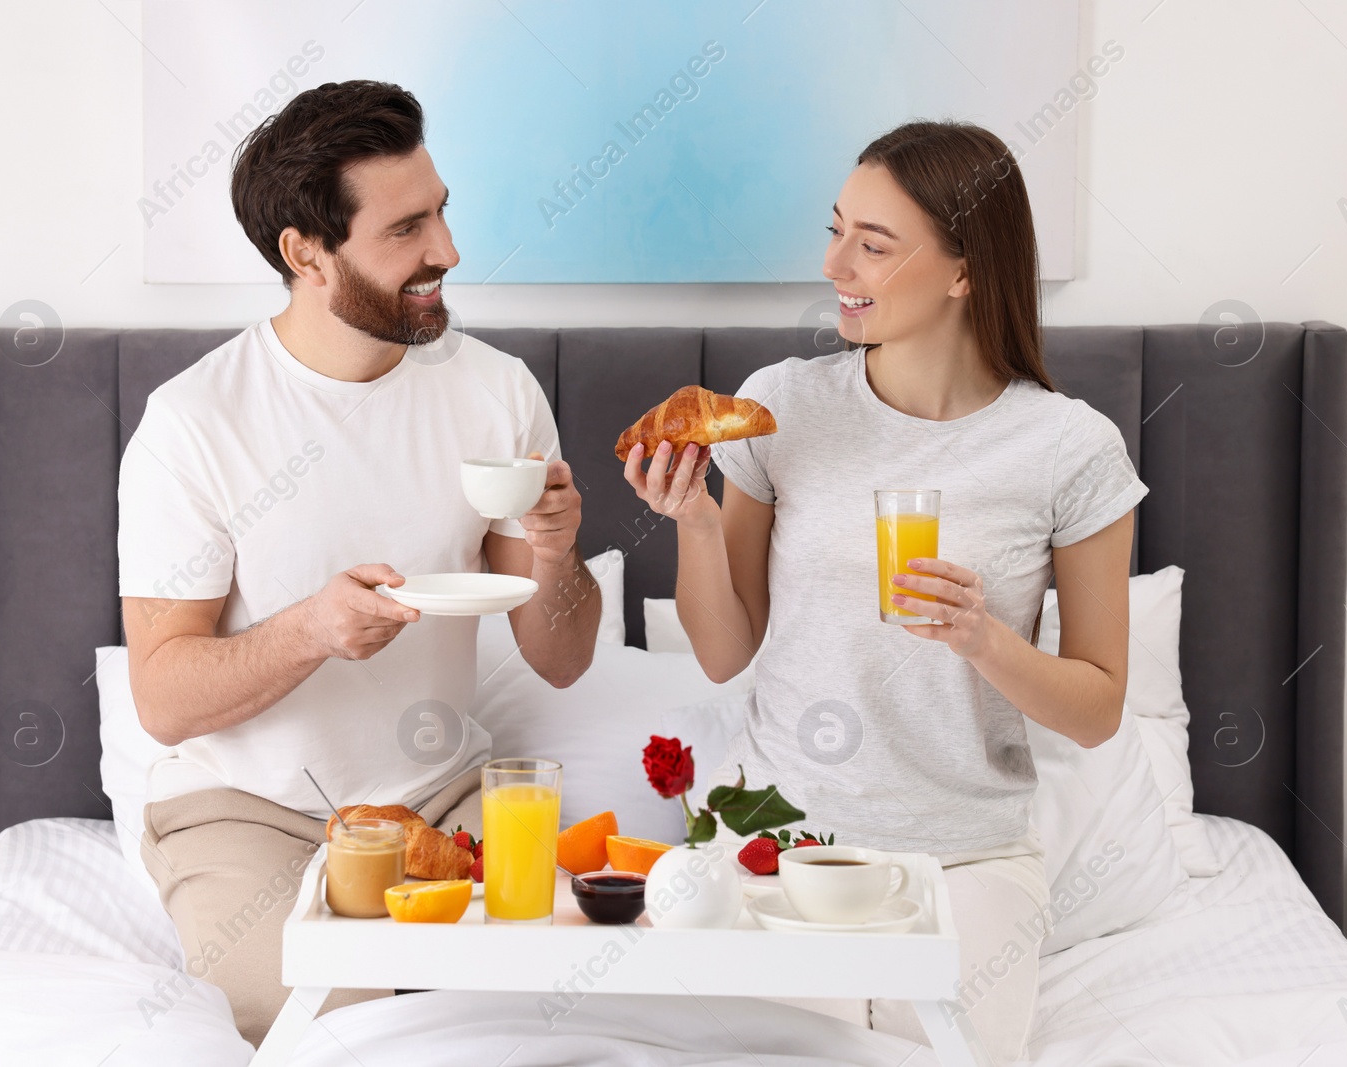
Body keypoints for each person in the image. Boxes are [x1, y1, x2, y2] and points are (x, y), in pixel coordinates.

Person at [625, 119, 1145, 1065]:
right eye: (837, 231)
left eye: (874, 245)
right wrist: (696, 524)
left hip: (962, 860)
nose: (837, 263)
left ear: (963, 270)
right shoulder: (782, 405)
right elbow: (726, 651)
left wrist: (987, 640)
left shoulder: (1071, 448)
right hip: (775, 836)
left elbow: (1099, 709)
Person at [118, 80, 600, 1044]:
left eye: (443, 212)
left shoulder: (496, 391)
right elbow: (164, 696)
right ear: (306, 252)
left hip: (442, 794)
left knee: (526, 1014)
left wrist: (555, 553)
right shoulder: (195, 423)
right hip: (248, 814)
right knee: (330, 1031)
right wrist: (308, 631)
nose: (448, 253)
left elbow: (561, 654)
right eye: (406, 229)